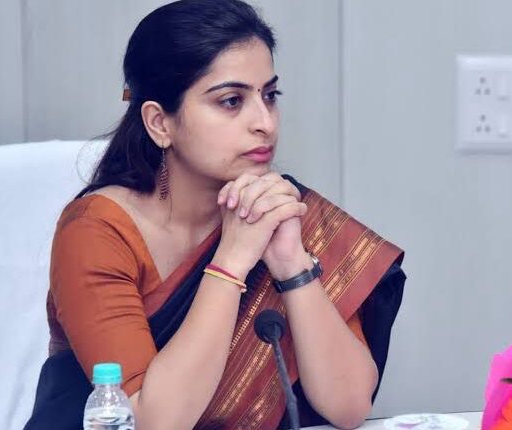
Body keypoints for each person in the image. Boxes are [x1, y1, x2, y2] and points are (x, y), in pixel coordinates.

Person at [24, 1, 406, 429]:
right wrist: (232, 261)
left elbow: (349, 407)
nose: (265, 123)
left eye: (269, 96)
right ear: (160, 123)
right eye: (231, 101)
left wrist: (292, 265)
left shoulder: (279, 209)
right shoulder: (97, 231)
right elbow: (151, 422)